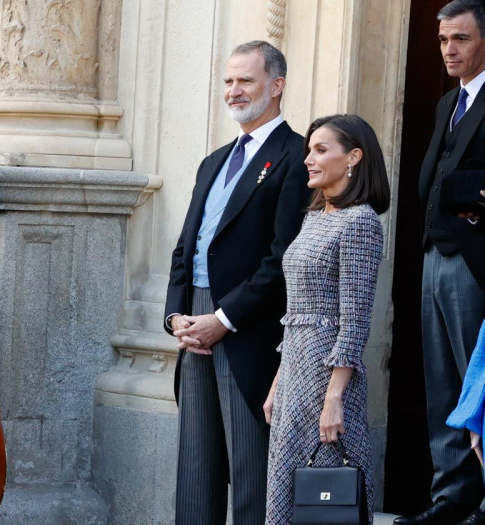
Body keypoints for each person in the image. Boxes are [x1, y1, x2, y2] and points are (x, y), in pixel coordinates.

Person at [164, 41, 310, 525]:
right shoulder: (214, 160)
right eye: (228, 81)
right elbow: (186, 248)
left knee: (252, 475)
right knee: (196, 470)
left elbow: (283, 258)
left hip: (248, 329)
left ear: (276, 85)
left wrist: (223, 320)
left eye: (245, 80)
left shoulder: (296, 156)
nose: (233, 90)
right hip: (195, 325)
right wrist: (176, 317)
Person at [263, 114, 389, 524]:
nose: (308, 159)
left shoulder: (361, 222)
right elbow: (295, 313)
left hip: (328, 378)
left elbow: (355, 321)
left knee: (326, 497)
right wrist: (278, 383)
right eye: (309, 150)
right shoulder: (315, 217)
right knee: (287, 494)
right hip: (295, 374)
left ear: (353, 157)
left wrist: (334, 398)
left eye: (320, 150)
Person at [400, 3, 485, 524]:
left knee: (481, 383)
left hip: (475, 260)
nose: (449, 50)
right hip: (434, 253)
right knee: (443, 383)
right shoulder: (447, 103)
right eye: (443, 40)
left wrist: (464, 194)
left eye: (461, 39)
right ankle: (451, 497)